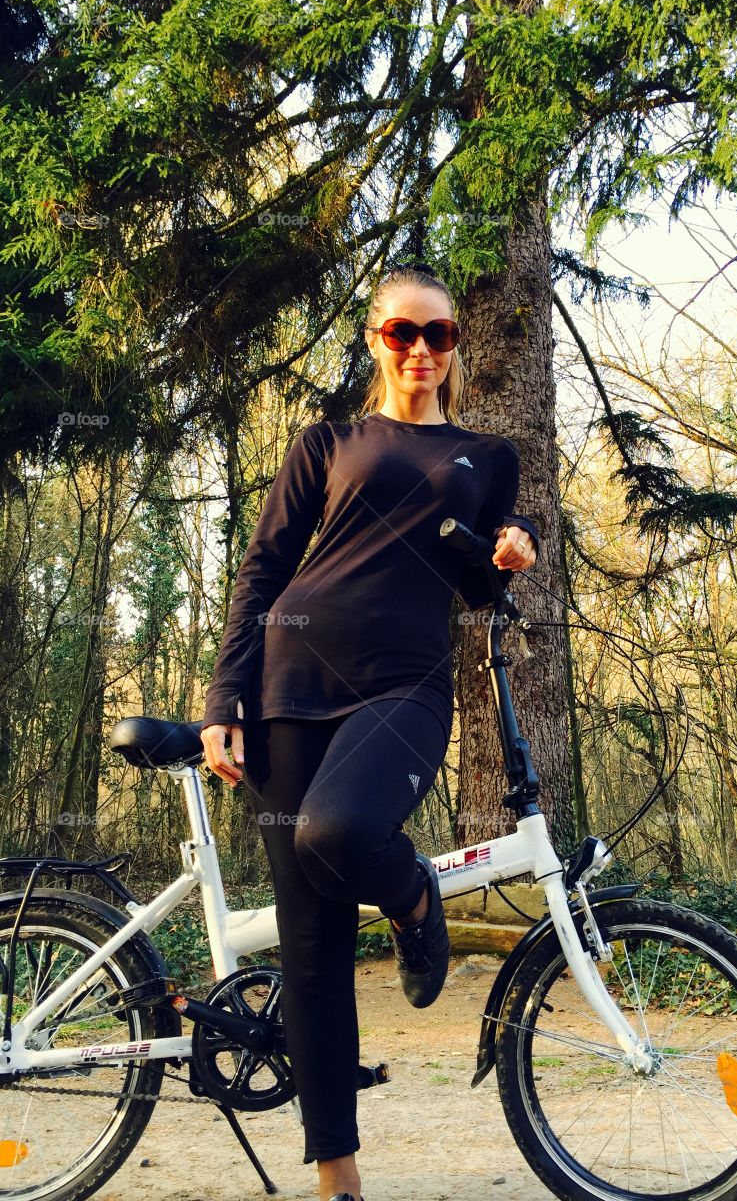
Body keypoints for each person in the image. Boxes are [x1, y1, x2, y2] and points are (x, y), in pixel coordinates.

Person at [199, 262, 541, 1201]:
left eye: (441, 335)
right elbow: (264, 568)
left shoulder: (486, 454)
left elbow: (479, 581)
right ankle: (338, 1178)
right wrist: (224, 699)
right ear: (374, 339)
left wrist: (515, 549)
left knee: (341, 832)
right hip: (286, 686)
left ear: (456, 346)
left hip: (405, 683)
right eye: (404, 332)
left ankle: (417, 898)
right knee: (310, 946)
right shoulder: (330, 440)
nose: (423, 351)